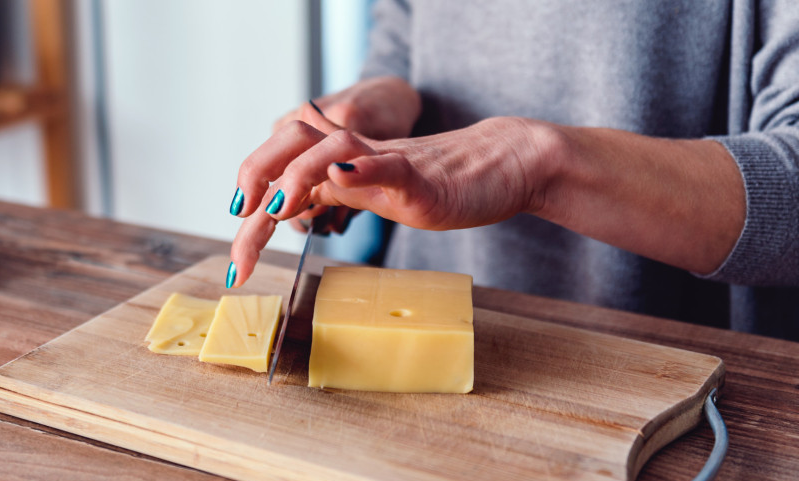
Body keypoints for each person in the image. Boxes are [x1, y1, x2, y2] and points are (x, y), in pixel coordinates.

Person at [226, 0, 799, 341]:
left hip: (682, 381)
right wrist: (382, 97)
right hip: (421, 315)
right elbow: (406, 30)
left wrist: (535, 162)